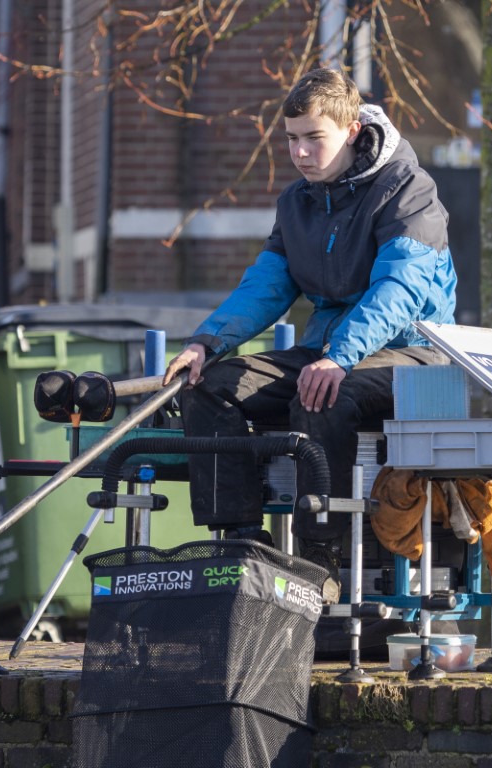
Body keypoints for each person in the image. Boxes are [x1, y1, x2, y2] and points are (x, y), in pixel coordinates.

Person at [162, 67, 458, 582]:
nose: (300, 153)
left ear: (352, 131)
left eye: (313, 138)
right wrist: (206, 343)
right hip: (330, 351)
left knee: (318, 394)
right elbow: (265, 286)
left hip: (414, 354)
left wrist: (338, 357)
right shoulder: (297, 202)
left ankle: (320, 557)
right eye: (291, 139)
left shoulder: (410, 191)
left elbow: (399, 292)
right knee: (206, 386)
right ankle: (240, 543)